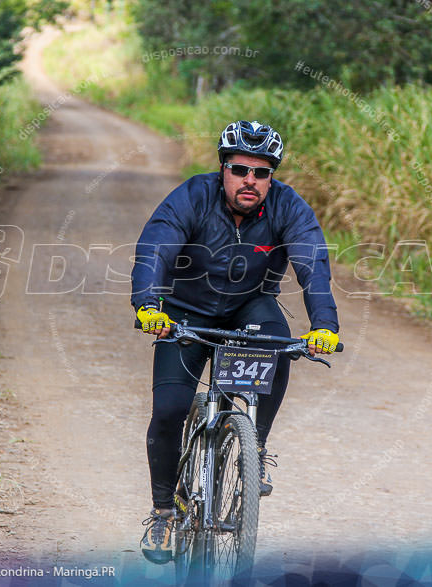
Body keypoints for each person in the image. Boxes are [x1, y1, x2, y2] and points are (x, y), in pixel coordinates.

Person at [130, 120, 340, 564]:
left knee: (282, 345)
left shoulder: (289, 206)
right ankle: (165, 512)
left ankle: (254, 447)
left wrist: (325, 325)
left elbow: (312, 265)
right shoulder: (193, 195)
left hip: (250, 306)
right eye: (241, 169)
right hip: (185, 311)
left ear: (271, 178)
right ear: (223, 169)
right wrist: (149, 305)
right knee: (169, 411)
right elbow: (156, 247)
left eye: (261, 173)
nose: (251, 180)